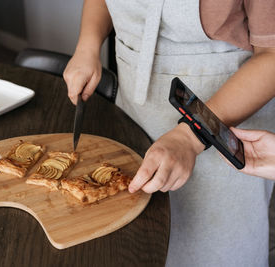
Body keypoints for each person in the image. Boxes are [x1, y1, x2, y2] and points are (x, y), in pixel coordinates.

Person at [63, 0, 275, 266]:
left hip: (225, 121)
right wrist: (87, 45)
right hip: (133, 115)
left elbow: (272, 54)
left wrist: (194, 133)